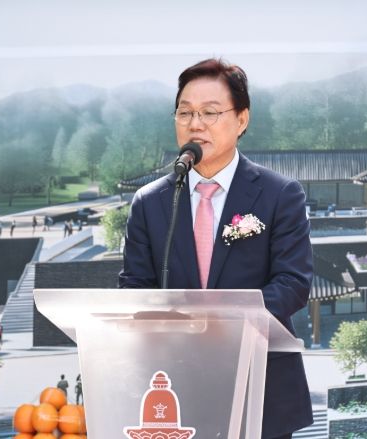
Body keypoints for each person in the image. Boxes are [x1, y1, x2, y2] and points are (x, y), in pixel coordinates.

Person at [119, 58, 313, 439]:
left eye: (210, 112)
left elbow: (293, 283)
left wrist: (222, 324)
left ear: (241, 119)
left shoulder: (279, 195)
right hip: (177, 385)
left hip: (261, 387)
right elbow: (134, 289)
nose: (196, 124)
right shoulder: (150, 202)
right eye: (185, 113)